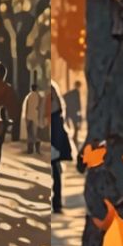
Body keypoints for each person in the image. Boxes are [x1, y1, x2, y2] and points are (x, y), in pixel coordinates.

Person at [49, 82, 71, 214]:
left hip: (54, 147)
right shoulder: (56, 113)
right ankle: (56, 203)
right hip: (53, 146)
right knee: (55, 174)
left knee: (56, 174)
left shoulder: (56, 115)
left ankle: (57, 203)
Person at [20, 83, 43, 155]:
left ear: (31, 88)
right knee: (37, 134)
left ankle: (30, 149)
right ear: (37, 88)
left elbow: (26, 108)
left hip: (29, 117)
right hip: (36, 118)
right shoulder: (39, 97)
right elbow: (41, 108)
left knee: (30, 134)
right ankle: (37, 149)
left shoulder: (28, 96)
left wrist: (25, 117)